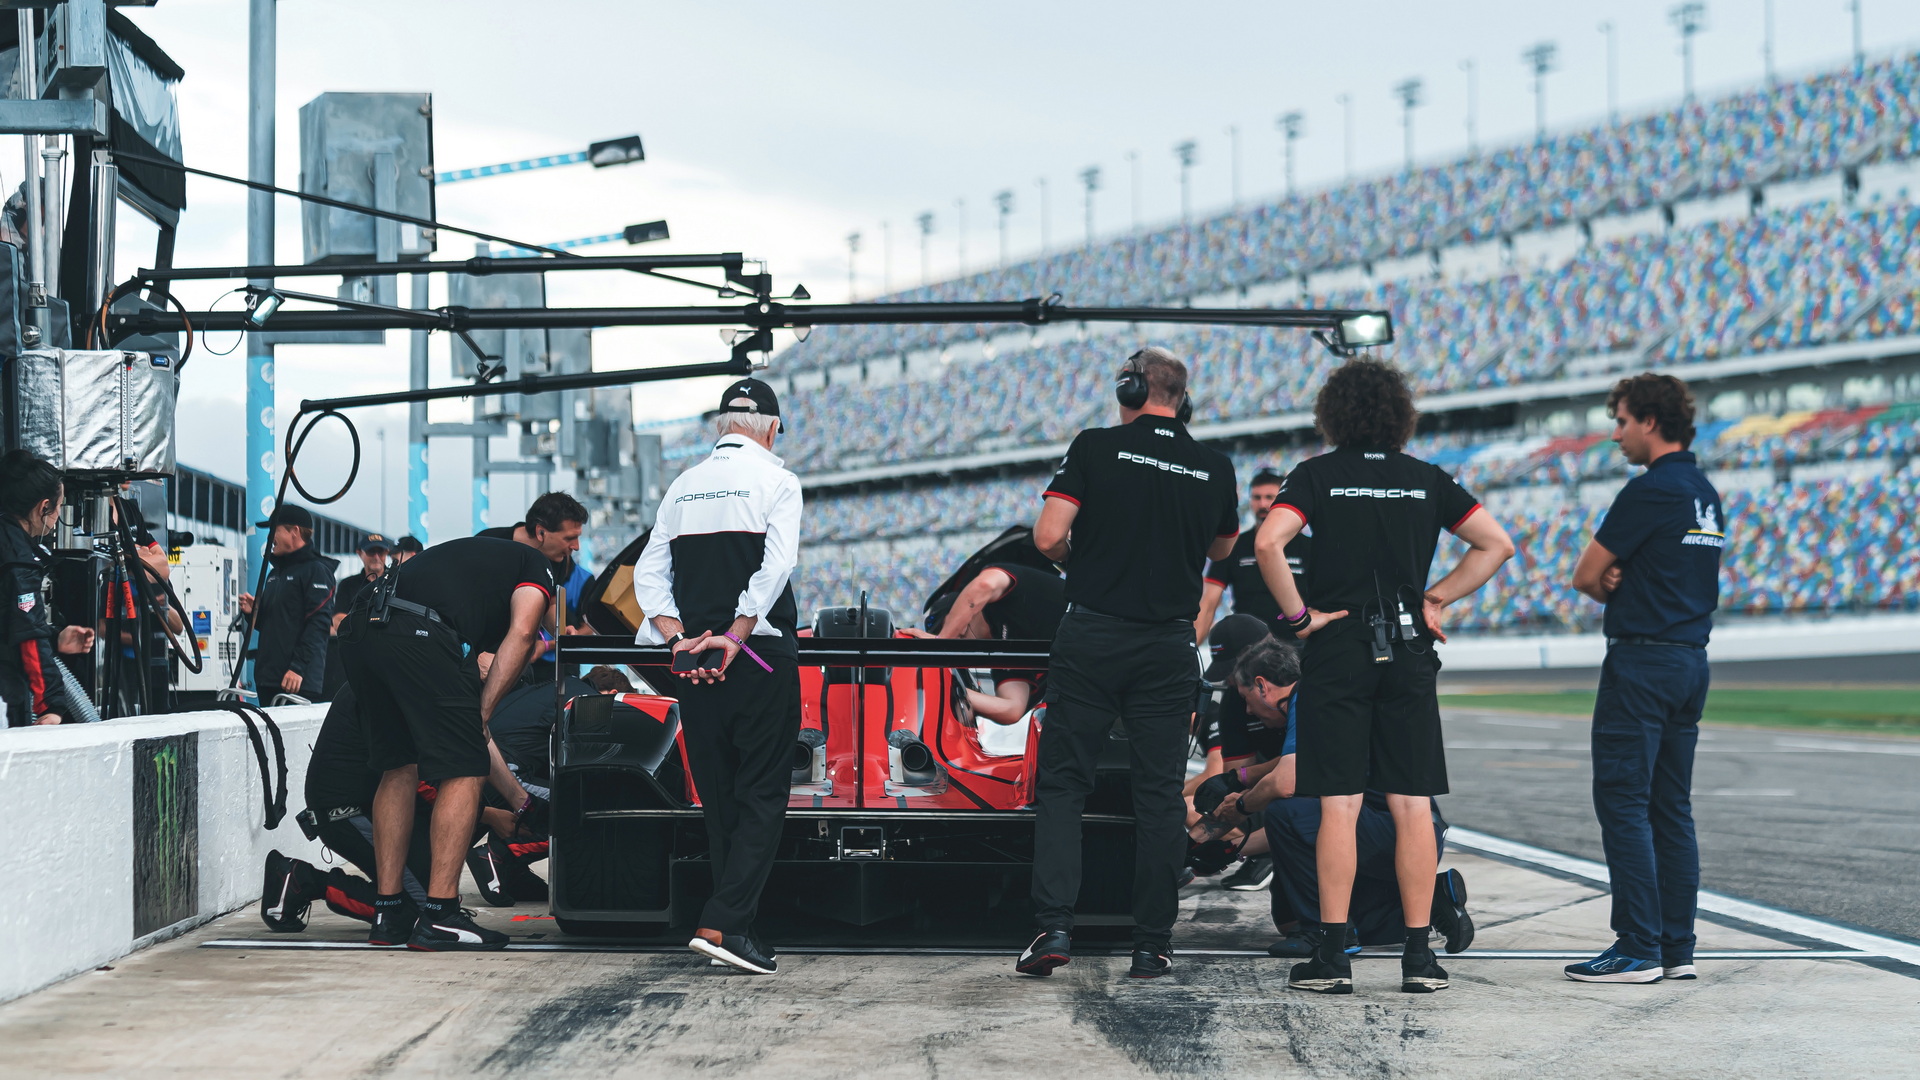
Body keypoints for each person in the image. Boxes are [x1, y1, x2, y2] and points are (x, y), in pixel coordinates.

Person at [1254, 357, 1514, 995]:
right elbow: (1496, 544)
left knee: (1338, 807)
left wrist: (1296, 618)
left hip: (1340, 646)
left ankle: (1334, 958)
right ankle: (1420, 959)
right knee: (1412, 806)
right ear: (1400, 414)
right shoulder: (1426, 478)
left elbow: (1267, 543)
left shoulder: (1317, 474)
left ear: (1333, 415)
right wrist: (1436, 600)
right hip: (1408, 648)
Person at [1017, 346, 1239, 981]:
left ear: (1129, 387)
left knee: (1063, 786)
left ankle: (1054, 926)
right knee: (1159, 797)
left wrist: (1085, 563)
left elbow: (1046, 537)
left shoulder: (1095, 446)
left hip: (1092, 635)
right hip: (1168, 644)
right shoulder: (1214, 466)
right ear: (1183, 400)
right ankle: (1152, 943)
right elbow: (1221, 546)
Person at [632, 377, 802, 976]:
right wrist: (734, 635)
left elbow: (647, 576)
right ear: (772, 429)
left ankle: (737, 929)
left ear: (722, 427)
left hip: (693, 661)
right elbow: (776, 566)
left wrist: (680, 638)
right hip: (753, 655)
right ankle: (722, 922)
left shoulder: (682, 485)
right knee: (762, 794)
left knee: (720, 799)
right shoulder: (778, 480)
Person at [1563, 373, 1723, 985]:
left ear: (1649, 422)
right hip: (1690, 659)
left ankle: (1637, 946)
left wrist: (1609, 577)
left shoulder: (1649, 489)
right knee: (1671, 808)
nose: (1616, 434)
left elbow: (1585, 574)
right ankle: (1676, 946)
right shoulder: (1703, 489)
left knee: (1623, 802)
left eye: (1622, 421)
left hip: (1642, 662)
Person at [336, 535, 554, 951]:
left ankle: (389, 910)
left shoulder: (472, 571)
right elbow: (524, 633)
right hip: (414, 629)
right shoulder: (535, 564)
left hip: (363, 628)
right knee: (465, 767)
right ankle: (440, 916)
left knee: (399, 766)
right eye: (572, 537)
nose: (575, 547)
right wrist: (484, 713)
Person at [1195, 638, 1474, 959]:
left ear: (1262, 687)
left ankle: (1325, 935)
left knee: (1285, 812)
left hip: (1394, 831)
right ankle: (1431, 898)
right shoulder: (1325, 694)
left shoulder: (1307, 697)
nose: (1246, 710)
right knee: (1288, 919)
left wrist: (1240, 808)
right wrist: (1235, 847)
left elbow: (1288, 780)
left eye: (1246, 700)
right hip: (1403, 828)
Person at [0, 451, 95, 726]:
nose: (56, 518)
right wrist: (50, 706)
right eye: (59, 508)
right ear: (44, 507)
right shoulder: (18, 558)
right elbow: (27, 633)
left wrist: (54, 640)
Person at [913, 563, 1065, 725]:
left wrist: (940, 644)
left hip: (1091, 627)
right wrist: (949, 689)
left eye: (956, 634)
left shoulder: (1003, 594)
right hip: (1087, 671)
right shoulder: (1002, 654)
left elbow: (984, 585)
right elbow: (1012, 709)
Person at [1194, 471, 1309, 643]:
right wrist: (1192, 646)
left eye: (1269, 497)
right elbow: (1209, 603)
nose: (1262, 504)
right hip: (1247, 647)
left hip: (1296, 644)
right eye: (1256, 497)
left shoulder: (1308, 547)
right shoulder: (1234, 545)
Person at [238, 505, 337, 703]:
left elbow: (318, 625)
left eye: (275, 530)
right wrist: (254, 613)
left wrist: (297, 668)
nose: (269, 537)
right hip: (269, 678)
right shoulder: (276, 574)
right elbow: (274, 625)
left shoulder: (316, 570)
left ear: (295, 531)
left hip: (297, 682)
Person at [321, 535, 391, 703]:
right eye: (371, 551)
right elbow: (339, 621)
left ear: (386, 553)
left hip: (388, 656)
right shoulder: (348, 584)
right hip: (358, 657)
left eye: (380, 552)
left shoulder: (396, 581)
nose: (376, 556)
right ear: (360, 553)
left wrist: (358, 624)